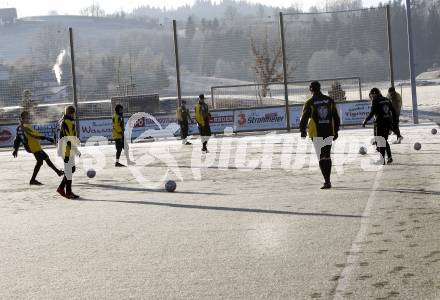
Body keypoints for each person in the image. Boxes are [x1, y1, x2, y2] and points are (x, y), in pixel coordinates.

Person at [300, 81, 340, 189]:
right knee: (327, 155)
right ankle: (328, 180)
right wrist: (336, 131)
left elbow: (304, 118)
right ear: (320, 88)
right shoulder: (329, 100)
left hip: (316, 133)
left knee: (321, 157)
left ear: (311, 89)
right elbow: (336, 117)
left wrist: (302, 131)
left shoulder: (310, 102)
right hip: (328, 131)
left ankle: (327, 181)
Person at [12, 111, 64, 185]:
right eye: (28, 117)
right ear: (24, 118)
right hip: (32, 146)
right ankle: (32, 180)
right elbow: (34, 136)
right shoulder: (25, 127)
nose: (29, 118)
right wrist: (47, 138)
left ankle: (58, 172)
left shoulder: (21, 127)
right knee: (40, 162)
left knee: (46, 157)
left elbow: (18, 138)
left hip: (34, 146)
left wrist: (15, 149)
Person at [363, 88, 400, 165]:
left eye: (371, 95)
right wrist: (394, 122)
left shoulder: (375, 100)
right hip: (387, 122)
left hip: (379, 123)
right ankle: (389, 157)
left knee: (380, 141)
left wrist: (365, 120)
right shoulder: (386, 99)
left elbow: (372, 112)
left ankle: (382, 160)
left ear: (374, 94)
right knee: (384, 140)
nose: (371, 97)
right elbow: (393, 111)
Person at [57, 106, 81, 199]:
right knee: (70, 170)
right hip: (66, 149)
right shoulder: (67, 122)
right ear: (71, 113)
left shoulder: (68, 121)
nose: (74, 115)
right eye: (73, 113)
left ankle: (62, 188)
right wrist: (75, 149)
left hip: (68, 149)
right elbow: (67, 138)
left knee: (71, 169)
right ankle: (67, 191)